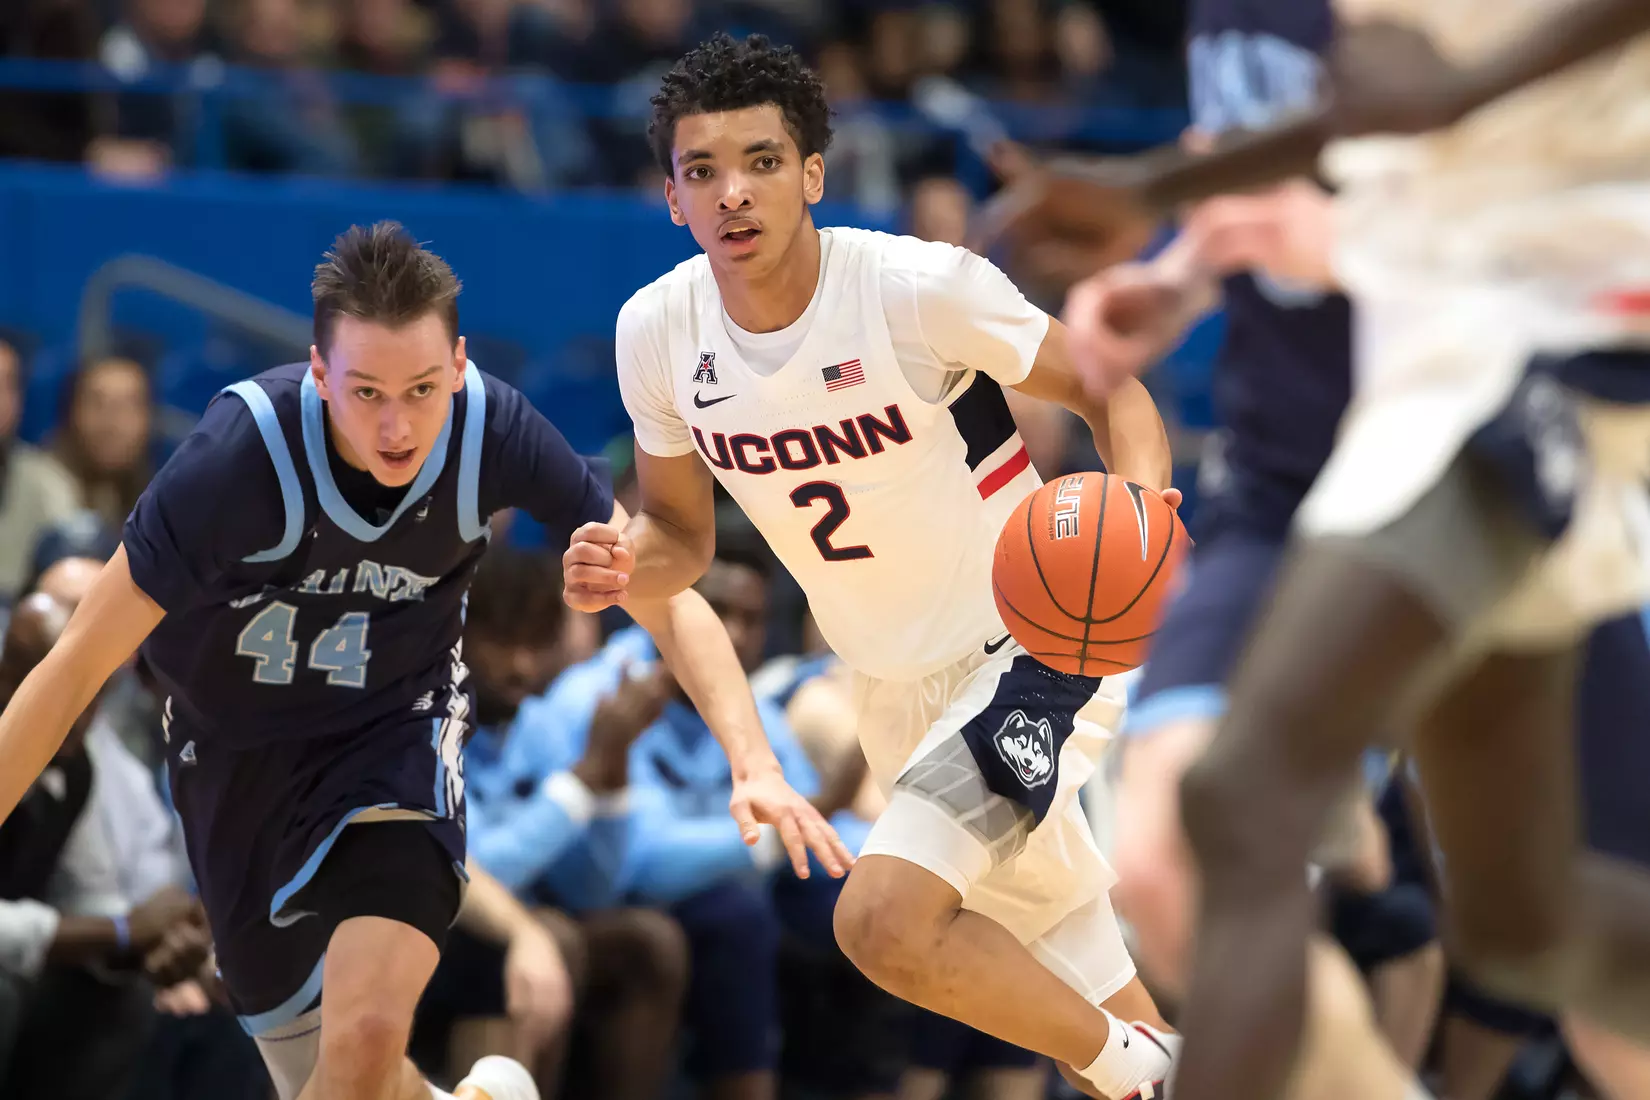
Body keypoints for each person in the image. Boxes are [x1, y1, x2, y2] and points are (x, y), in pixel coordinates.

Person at [0, 220, 841, 1100]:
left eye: (422, 389)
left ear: (460, 363)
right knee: (329, 1081)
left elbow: (664, 597)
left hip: (390, 737)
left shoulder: (492, 429)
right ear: (319, 374)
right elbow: (70, 667)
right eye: (365, 392)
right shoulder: (233, 460)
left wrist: (754, 759)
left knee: (362, 1039)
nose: (398, 425)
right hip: (234, 763)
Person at [983, 5, 1650, 1099]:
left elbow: (1411, 105)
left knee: (1243, 802)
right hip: (1352, 427)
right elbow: (1346, 123)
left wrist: (1444, 101)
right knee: (1513, 926)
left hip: (1536, 350)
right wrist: (1171, 219)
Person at [565, 32, 1181, 1100]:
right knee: (1087, 977)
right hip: (890, 688)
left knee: (884, 920)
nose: (732, 193)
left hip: (1036, 645)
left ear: (812, 173)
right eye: (701, 170)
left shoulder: (914, 288)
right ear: (671, 196)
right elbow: (684, 537)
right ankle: (1167, 1068)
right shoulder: (656, 333)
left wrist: (1140, 521)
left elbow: (1111, 392)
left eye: (761, 161)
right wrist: (624, 564)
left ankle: (1154, 1074)